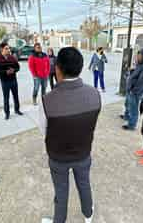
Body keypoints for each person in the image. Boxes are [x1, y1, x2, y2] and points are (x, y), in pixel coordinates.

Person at [39, 47, 101, 223]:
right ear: (80, 67)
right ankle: (88, 215)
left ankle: (59, 220)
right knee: (84, 184)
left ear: (57, 69)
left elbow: (44, 131)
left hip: (58, 156)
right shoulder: (95, 94)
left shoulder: (46, 100)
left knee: (61, 190)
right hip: (83, 152)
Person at [121, 47, 143, 130]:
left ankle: (131, 125)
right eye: (138, 55)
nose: (138, 57)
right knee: (128, 104)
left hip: (135, 92)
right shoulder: (140, 64)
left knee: (133, 108)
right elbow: (136, 74)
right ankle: (126, 116)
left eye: (140, 55)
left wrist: (134, 91)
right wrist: (132, 71)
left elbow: (142, 82)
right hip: (130, 89)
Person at [0, 42, 23, 120]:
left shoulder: (12, 57)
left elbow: (18, 67)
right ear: (2, 49)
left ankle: (17, 110)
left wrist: (14, 70)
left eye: (9, 48)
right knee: (6, 98)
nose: (8, 50)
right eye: (6, 48)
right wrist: (5, 72)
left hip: (13, 80)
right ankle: (7, 113)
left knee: (16, 96)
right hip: (4, 81)